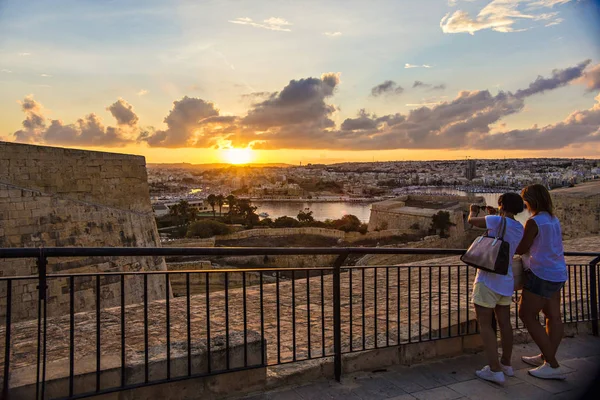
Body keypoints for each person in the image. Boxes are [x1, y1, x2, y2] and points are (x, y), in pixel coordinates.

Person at [467, 193, 524, 384]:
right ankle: (506, 364)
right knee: (505, 323)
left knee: (485, 324)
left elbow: (472, 222)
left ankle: (494, 369)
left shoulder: (496, 221)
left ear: (502, 205)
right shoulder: (519, 227)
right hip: (506, 280)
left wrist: (472, 211)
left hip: (488, 279)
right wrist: (494, 216)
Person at [516, 184, 568, 380]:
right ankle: (546, 357)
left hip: (542, 274)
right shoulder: (553, 219)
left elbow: (521, 248)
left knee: (526, 314)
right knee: (553, 317)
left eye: (526, 200)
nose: (525, 204)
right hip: (558, 272)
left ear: (532, 201)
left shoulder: (534, 222)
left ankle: (553, 365)